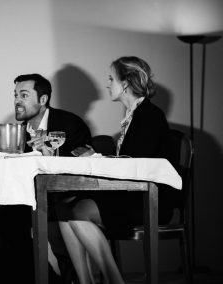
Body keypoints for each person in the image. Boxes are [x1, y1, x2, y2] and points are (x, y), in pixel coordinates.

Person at [58, 56, 173, 284]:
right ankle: (86, 281)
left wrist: (96, 157)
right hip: (130, 193)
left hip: (147, 199)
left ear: (126, 83)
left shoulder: (149, 116)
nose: (108, 84)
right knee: (62, 210)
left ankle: (114, 280)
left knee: (77, 212)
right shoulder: (133, 116)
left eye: (112, 79)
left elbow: (136, 163)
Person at [0, 73, 93, 283]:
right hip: (31, 197)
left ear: (43, 100)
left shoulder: (70, 123)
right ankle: (23, 275)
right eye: (15, 95)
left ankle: (71, 277)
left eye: (23, 95)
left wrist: (52, 154)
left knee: (55, 215)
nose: (16, 101)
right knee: (7, 213)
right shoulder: (17, 132)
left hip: (65, 196)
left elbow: (84, 162)